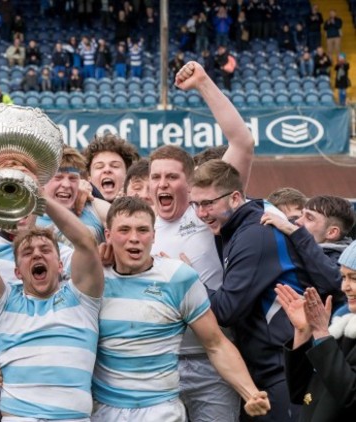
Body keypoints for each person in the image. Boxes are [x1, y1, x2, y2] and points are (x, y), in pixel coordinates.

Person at [189, 159, 343, 421]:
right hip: (270, 367)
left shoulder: (254, 236)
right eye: (196, 204)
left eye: (208, 203)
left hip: (282, 368)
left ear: (236, 197)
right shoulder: (239, 226)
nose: (201, 213)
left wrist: (188, 280)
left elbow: (226, 310)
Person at [91, 196, 270, 420]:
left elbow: (216, 344)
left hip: (159, 411)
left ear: (154, 235)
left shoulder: (178, 278)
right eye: (124, 230)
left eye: (143, 230)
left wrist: (251, 392)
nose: (134, 238)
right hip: (105, 411)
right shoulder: (91, 280)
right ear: (108, 236)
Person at [149, 60, 255, 422]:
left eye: (173, 177)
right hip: (160, 364)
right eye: (156, 177)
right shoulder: (136, 226)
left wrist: (203, 83)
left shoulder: (207, 212)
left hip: (214, 363)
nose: (163, 184)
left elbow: (242, 141)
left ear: (191, 183)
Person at [0, 185, 104, 420]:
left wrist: (40, 196)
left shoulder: (83, 299)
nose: (37, 254)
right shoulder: (4, 303)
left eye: (46, 249)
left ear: (61, 265)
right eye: (27, 252)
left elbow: (86, 243)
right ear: (17, 272)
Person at [278, 241, 356, 421]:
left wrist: (321, 332)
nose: (345, 287)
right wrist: (304, 333)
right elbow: (301, 393)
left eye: (354, 278)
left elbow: (350, 396)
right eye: (343, 277)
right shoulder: (343, 322)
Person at [83, 133, 139, 202]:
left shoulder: (145, 206)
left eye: (115, 166)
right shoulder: (77, 209)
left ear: (127, 176)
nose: (107, 170)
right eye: (99, 167)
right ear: (89, 178)